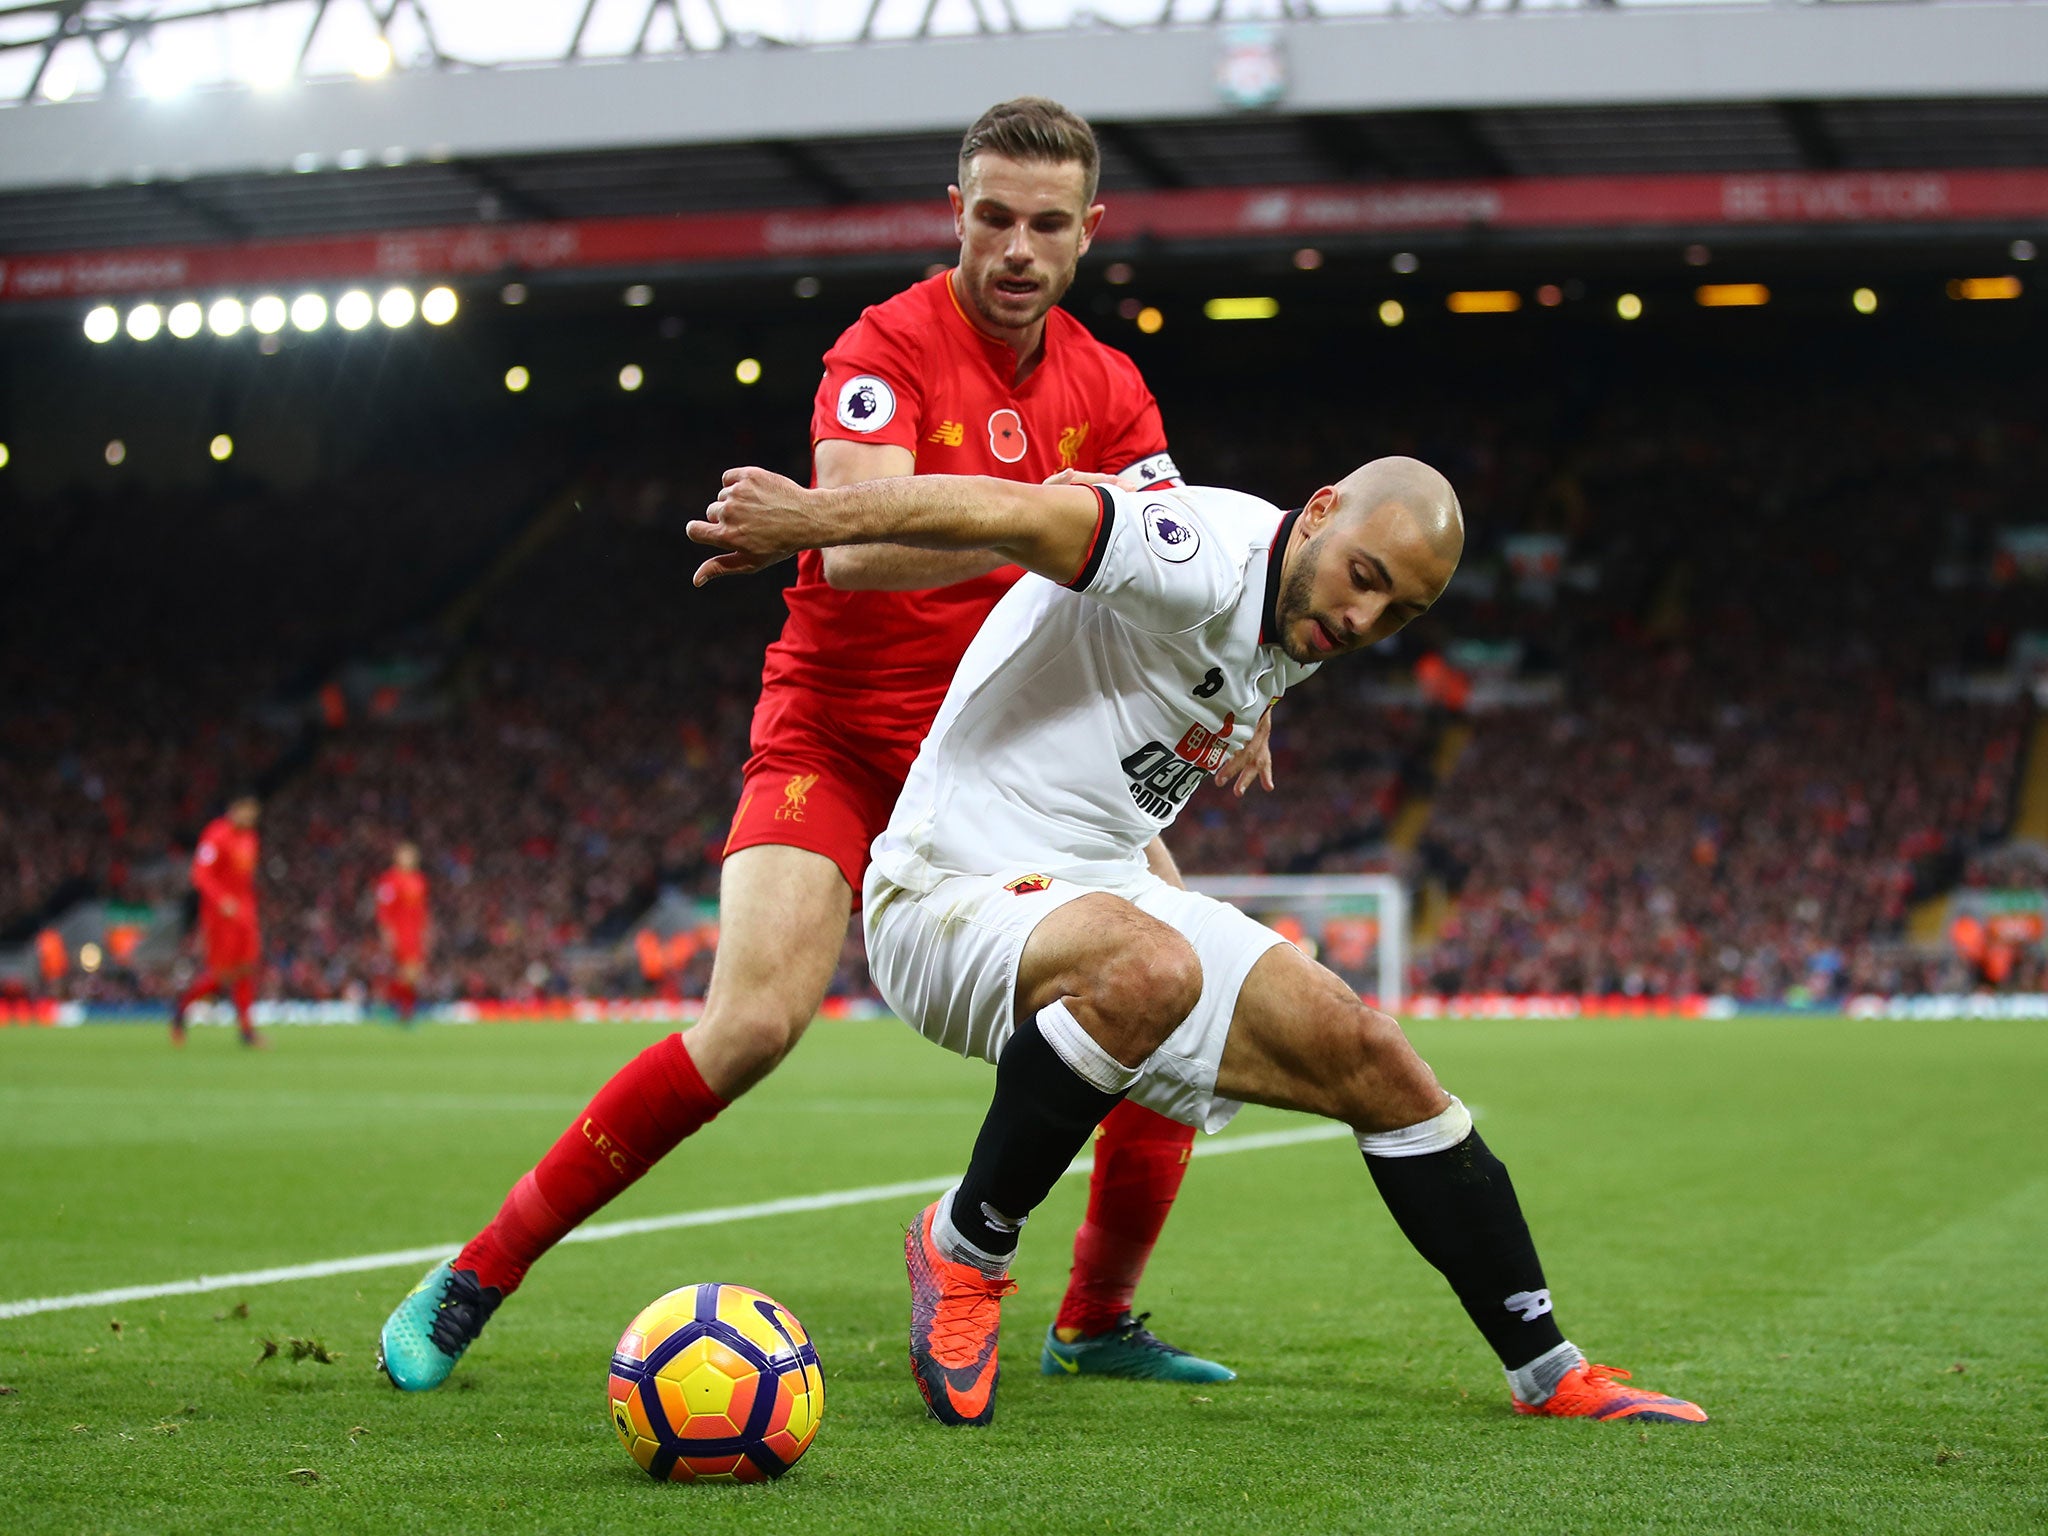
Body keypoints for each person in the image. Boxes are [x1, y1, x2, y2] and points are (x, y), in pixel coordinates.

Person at [377, 97, 1266, 1391]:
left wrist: (1251, 689)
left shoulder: (1111, 386)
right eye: (996, 217)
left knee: (1168, 995)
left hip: (1020, 754)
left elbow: (1177, 573)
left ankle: (1094, 1323)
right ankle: (476, 1277)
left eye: (1047, 225)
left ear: (1090, 233)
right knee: (752, 1023)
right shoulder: (884, 346)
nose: (1018, 248)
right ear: (955, 211)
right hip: (840, 732)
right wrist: (1042, 527)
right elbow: (843, 546)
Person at [687, 458, 1709, 1429]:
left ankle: (1546, 1371)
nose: (1363, 620)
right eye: (1363, 579)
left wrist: (1248, 710)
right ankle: (963, 1244)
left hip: (1100, 890)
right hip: (946, 889)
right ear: (1314, 513)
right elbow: (1023, 511)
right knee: (1149, 966)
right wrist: (808, 522)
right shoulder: (1194, 554)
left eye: (1400, 612)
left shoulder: (1294, 619)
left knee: (1373, 1056)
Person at [170, 793, 264, 1048]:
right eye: (247, 811)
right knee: (222, 975)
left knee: (246, 970)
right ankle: (181, 1011)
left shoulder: (250, 838)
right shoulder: (216, 835)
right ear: (234, 809)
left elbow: (245, 880)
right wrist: (222, 900)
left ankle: (246, 1031)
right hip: (220, 916)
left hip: (244, 914)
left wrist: (249, 909)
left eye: (254, 813)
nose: (250, 817)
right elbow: (200, 874)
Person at [375, 842, 430, 1023]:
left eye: (412, 855)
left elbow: (422, 912)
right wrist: (387, 934)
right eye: (405, 855)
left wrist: (424, 934)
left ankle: (400, 1009)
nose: (409, 859)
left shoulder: (419, 880)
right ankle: (396, 1008)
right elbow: (384, 911)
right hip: (399, 932)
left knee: (412, 975)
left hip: (415, 934)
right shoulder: (389, 880)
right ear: (397, 858)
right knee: (407, 973)